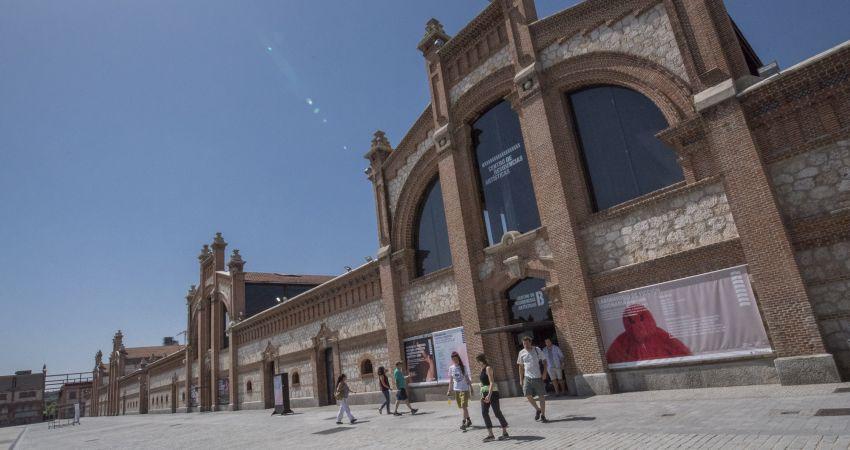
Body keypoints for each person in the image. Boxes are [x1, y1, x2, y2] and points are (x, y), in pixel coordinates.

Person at [605, 304, 691, 363]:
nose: (637, 325)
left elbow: (680, 350)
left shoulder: (660, 335)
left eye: (641, 319)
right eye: (631, 321)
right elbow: (610, 358)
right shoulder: (623, 340)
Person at [476, 353, 509, 442]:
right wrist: (482, 389)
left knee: (497, 412)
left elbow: (491, 382)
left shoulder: (488, 368)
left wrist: (489, 395)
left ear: (481, 360)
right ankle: (491, 435)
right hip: (484, 393)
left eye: (478, 361)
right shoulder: (482, 369)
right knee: (484, 412)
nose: (478, 363)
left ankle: (505, 432)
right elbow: (484, 382)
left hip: (492, 393)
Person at [517, 335, 548, 423]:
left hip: (538, 376)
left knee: (541, 396)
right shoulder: (521, 352)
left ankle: (543, 415)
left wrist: (544, 373)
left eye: (527, 343)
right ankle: (538, 409)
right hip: (527, 377)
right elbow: (520, 367)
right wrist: (521, 379)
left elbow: (544, 361)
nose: (525, 345)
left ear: (530, 342)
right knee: (527, 394)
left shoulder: (537, 350)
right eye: (524, 344)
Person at [446, 351, 472, 431]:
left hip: (464, 389)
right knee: (463, 407)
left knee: (464, 406)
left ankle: (463, 423)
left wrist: (471, 388)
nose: (454, 360)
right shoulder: (451, 368)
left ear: (458, 358)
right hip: (456, 389)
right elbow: (450, 380)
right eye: (453, 359)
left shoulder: (463, 367)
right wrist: (449, 390)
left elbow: (467, 378)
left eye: (456, 358)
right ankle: (469, 420)